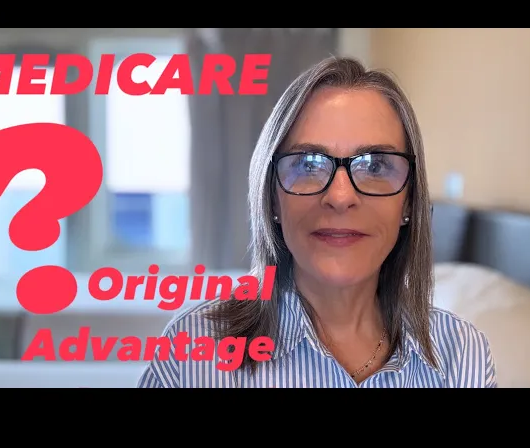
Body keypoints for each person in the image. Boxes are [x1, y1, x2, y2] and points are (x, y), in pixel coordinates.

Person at [137, 56, 497, 388]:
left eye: (374, 165)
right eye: (308, 164)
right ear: (272, 198)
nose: (340, 197)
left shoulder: (463, 357)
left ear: (409, 202)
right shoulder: (193, 352)